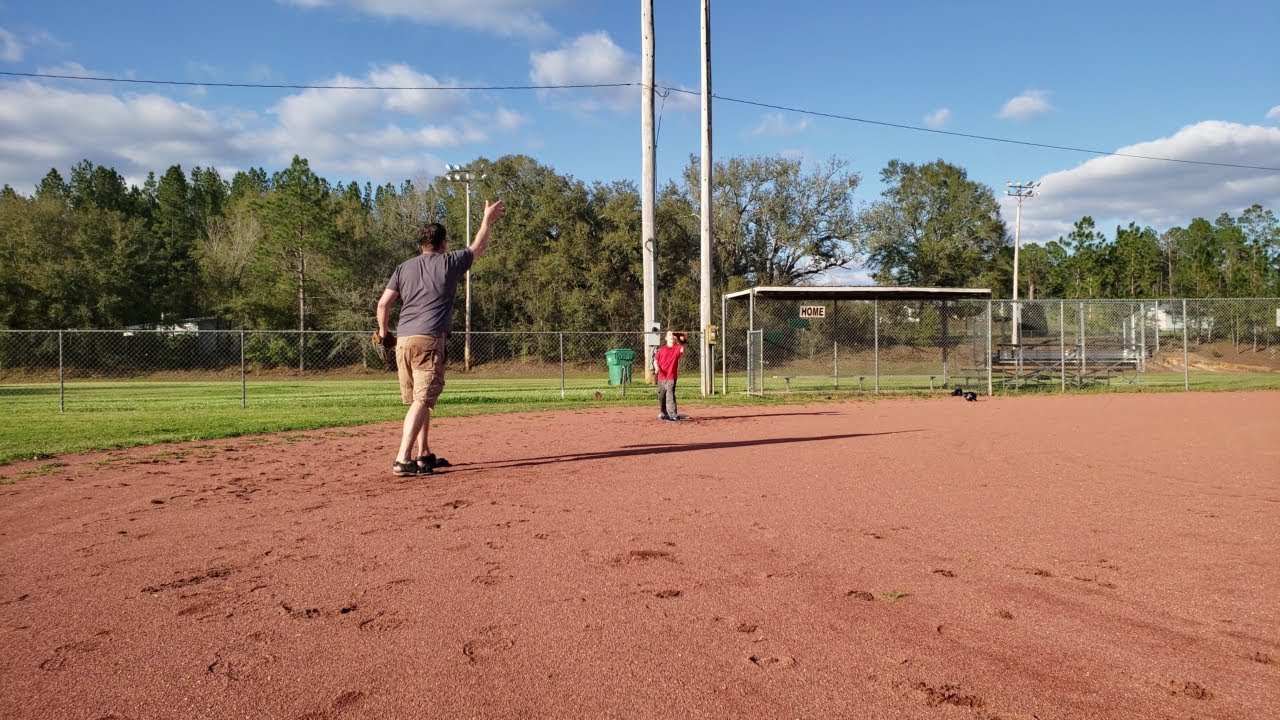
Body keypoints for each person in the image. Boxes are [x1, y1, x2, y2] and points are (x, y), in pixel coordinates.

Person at [376, 199, 504, 476]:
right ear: (443, 242)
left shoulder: (404, 267)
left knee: (417, 401)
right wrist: (487, 219)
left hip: (403, 341)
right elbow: (478, 246)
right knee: (423, 401)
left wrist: (384, 333)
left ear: (421, 244)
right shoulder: (449, 262)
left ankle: (422, 454)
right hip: (429, 340)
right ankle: (402, 459)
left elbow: (383, 304)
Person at [653, 330, 687, 422]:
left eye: (673, 335)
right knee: (661, 396)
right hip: (661, 376)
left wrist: (682, 340)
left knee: (670, 395)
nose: (671, 336)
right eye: (669, 335)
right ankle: (664, 413)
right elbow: (655, 360)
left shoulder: (677, 348)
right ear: (666, 338)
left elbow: (682, 350)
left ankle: (673, 415)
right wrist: (656, 367)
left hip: (671, 376)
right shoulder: (662, 349)